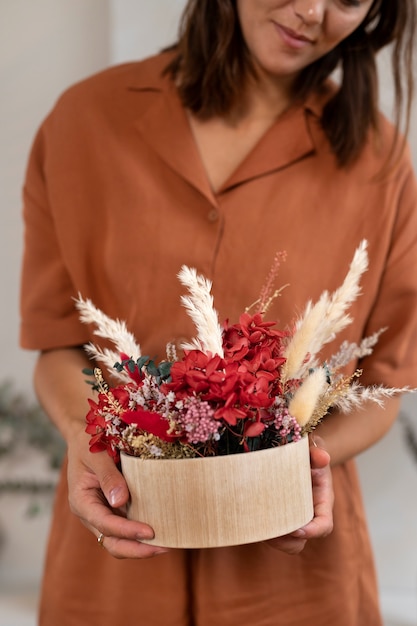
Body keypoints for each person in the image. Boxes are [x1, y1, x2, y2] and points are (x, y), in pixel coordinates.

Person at [19, 1, 417, 624]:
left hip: (297, 577)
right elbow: (58, 345)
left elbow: (384, 384)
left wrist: (305, 460)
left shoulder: (381, 164)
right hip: (118, 556)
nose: (311, 11)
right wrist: (84, 441)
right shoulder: (84, 123)